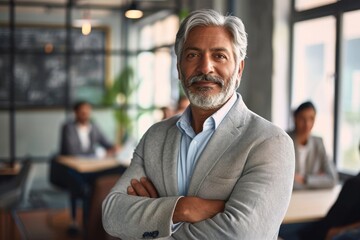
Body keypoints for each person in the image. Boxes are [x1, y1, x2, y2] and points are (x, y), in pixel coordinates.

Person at [102, 9, 295, 240]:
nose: (205, 68)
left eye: (219, 56)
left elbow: (242, 236)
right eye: (193, 55)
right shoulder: (156, 136)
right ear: (179, 69)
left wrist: (156, 218)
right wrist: (183, 208)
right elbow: (112, 214)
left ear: (239, 69)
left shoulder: (270, 142)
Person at [50, 100, 122, 235]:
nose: (85, 114)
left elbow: (105, 142)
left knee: (99, 182)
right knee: (78, 184)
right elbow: (72, 151)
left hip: (88, 167)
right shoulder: (68, 127)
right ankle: (75, 221)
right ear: (76, 113)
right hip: (71, 167)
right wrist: (97, 153)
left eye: (87, 112)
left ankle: (91, 224)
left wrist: (113, 147)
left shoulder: (93, 126)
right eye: (82, 112)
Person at [288, 101, 338, 190]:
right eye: (302, 118)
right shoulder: (285, 140)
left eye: (311, 118)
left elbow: (332, 179)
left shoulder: (318, 142)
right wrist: (318, 179)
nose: (307, 124)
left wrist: (305, 179)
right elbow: (282, 181)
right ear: (295, 118)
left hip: (313, 198)